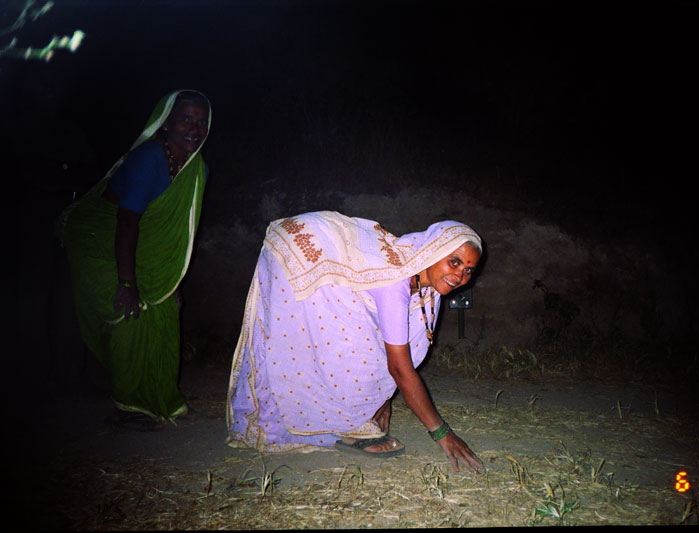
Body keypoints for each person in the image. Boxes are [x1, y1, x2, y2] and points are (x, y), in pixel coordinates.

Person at [226, 211, 484, 472]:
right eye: (454, 262)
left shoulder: (427, 284)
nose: (459, 275)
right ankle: (341, 427)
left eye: (468, 270)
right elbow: (398, 367)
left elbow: (403, 350)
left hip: (318, 256)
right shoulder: (395, 283)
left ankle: (350, 421)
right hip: (297, 254)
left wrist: (383, 399)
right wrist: (442, 434)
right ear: (432, 251)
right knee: (347, 347)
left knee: (367, 342)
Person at [57, 90, 211, 429]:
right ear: (166, 122)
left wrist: (171, 281)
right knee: (130, 312)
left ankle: (165, 401)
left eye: (201, 122)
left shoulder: (195, 169)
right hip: (101, 242)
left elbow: (175, 237)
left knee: (167, 310)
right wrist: (127, 283)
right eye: (186, 119)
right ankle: (128, 407)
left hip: (136, 245)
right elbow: (127, 221)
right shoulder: (148, 159)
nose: (194, 129)